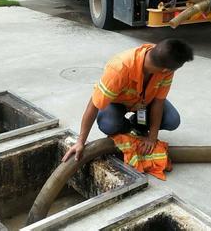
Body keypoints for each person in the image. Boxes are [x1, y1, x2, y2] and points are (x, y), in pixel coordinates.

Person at [62, 39, 194, 162]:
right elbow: (94, 104)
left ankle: (138, 126)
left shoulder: (164, 62)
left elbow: (159, 102)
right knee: (109, 124)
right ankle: (127, 128)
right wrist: (80, 142)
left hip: (145, 103)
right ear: (166, 70)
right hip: (118, 103)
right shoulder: (119, 69)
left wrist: (152, 138)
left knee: (172, 120)